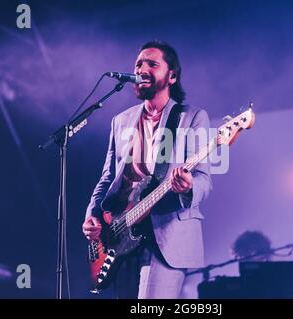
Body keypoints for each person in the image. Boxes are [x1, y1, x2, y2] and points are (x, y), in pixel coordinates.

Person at [82, 41, 212, 299]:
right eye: (138, 63)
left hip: (166, 235)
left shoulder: (191, 118)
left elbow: (204, 180)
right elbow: (108, 177)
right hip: (120, 233)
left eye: (152, 64)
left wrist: (188, 187)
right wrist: (92, 215)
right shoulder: (121, 121)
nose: (142, 68)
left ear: (172, 75)